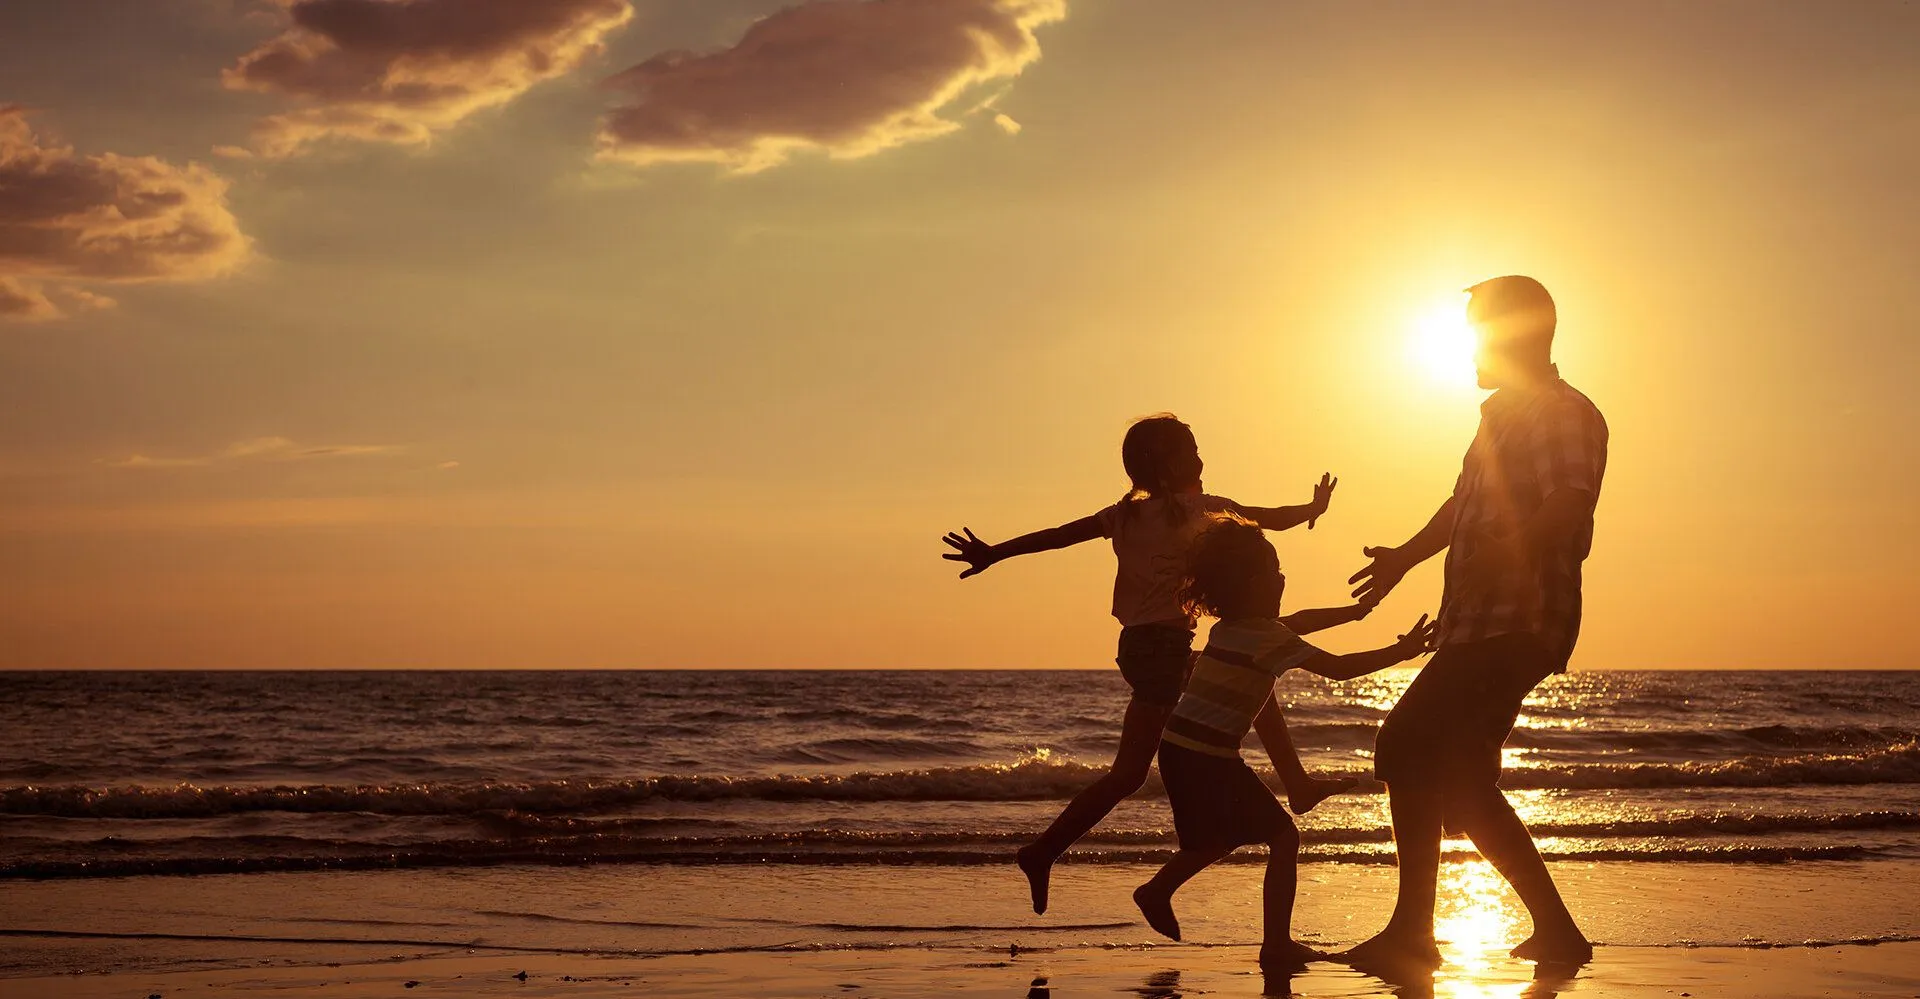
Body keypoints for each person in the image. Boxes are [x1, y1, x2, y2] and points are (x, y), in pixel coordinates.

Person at [941, 414, 1358, 914]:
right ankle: (1044, 850)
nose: (1201, 460)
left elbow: (1055, 535)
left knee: (1204, 715)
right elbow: (1263, 517)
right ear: (1163, 466)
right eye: (1190, 452)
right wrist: (1311, 508)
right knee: (1168, 741)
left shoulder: (1127, 516)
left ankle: (1044, 850)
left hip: (1139, 647)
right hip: (1161, 650)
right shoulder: (1196, 509)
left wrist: (996, 553)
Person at [1342, 275, 1608, 970]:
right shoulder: (1500, 418)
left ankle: (1413, 932)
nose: (1467, 350)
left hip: (1517, 620)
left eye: (1476, 334)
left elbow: (1570, 503)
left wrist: (1508, 551)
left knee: (1403, 745)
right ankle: (1553, 930)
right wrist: (1405, 555)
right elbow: (1461, 505)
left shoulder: (1561, 410)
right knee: (1457, 776)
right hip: (1480, 621)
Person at [1132, 515, 1438, 969]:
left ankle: (1157, 890)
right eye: (1276, 572)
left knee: (1214, 841)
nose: (1283, 578)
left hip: (1181, 750)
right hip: (1208, 758)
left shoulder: (1232, 628)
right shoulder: (1267, 637)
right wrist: (1402, 651)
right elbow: (1339, 668)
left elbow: (1299, 622)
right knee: (1283, 837)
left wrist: (1353, 613)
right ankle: (1275, 945)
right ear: (1257, 585)